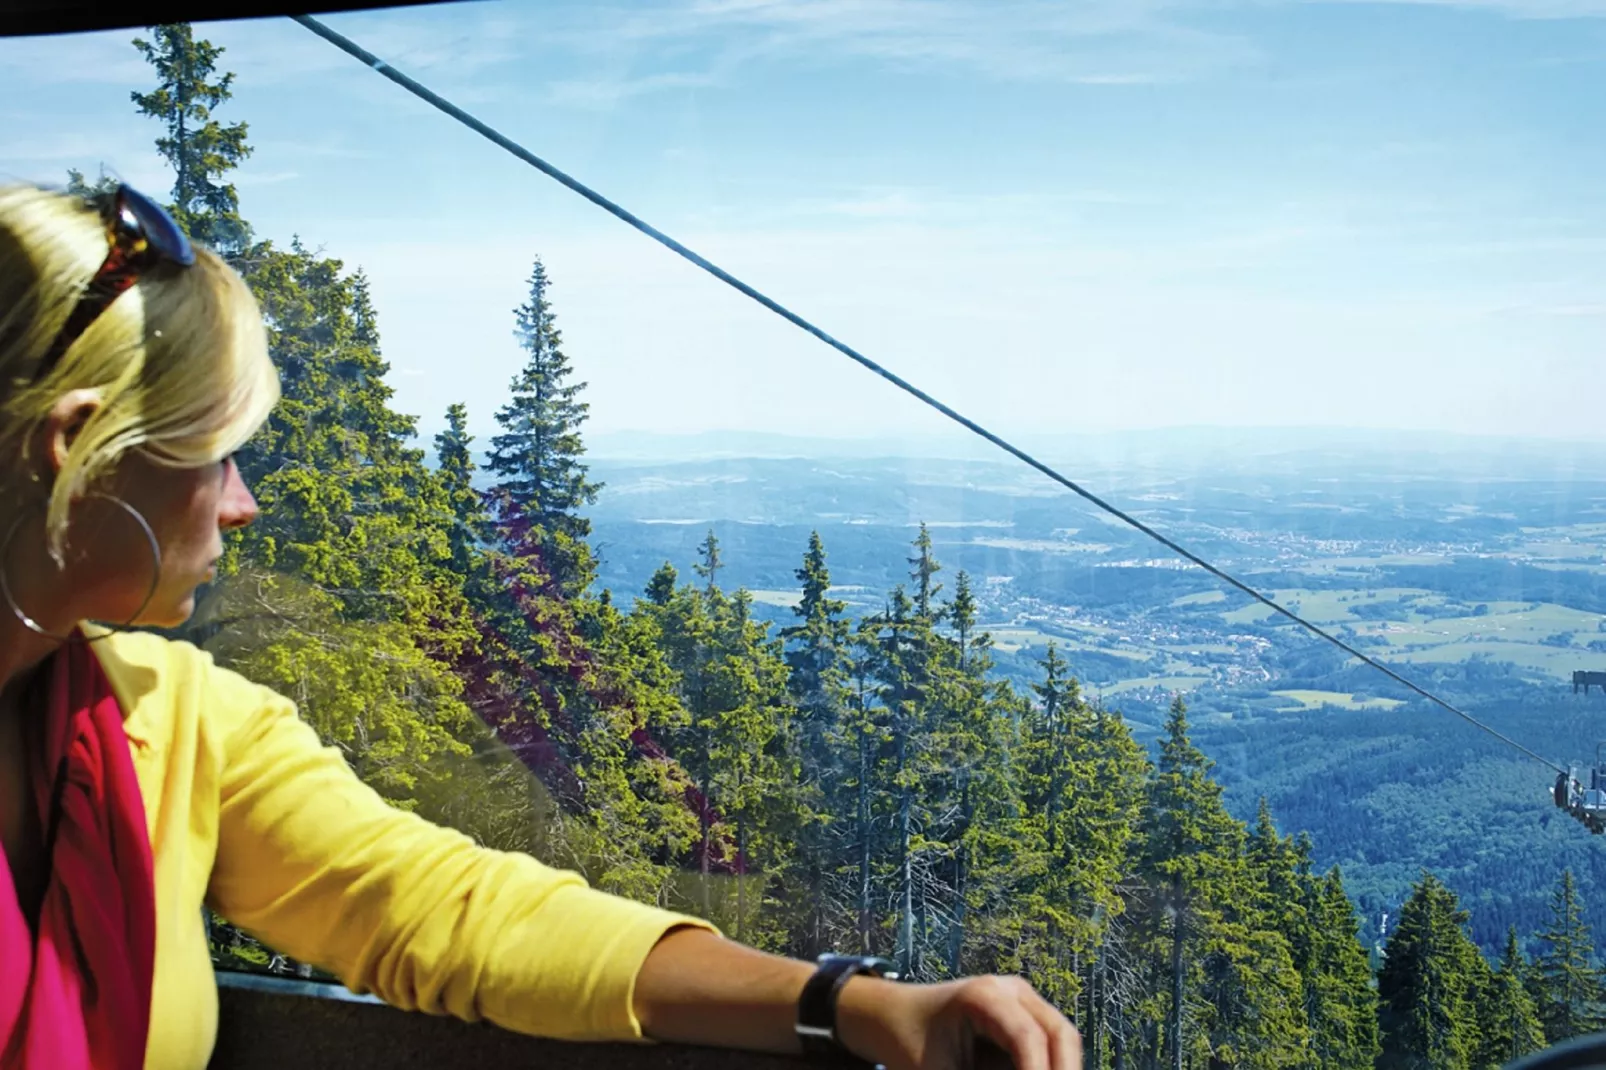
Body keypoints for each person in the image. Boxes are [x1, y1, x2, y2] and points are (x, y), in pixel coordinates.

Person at [0, 182, 1081, 1070]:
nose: (242, 501)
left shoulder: (172, 724)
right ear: (80, 447)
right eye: (214, 452)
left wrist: (848, 1002)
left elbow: (451, 911)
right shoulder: (150, 722)